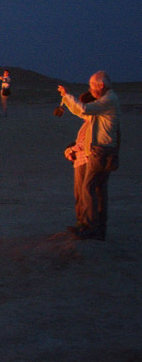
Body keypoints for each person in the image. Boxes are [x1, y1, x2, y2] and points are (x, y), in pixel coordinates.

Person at [57, 71, 121, 241]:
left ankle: (90, 227)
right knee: (98, 190)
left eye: (92, 87)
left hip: (101, 151)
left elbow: (85, 109)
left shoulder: (108, 100)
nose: (90, 90)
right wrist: (66, 98)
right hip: (103, 151)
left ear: (101, 85)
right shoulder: (107, 101)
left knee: (88, 188)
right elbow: (83, 113)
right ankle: (97, 229)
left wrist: (69, 97)